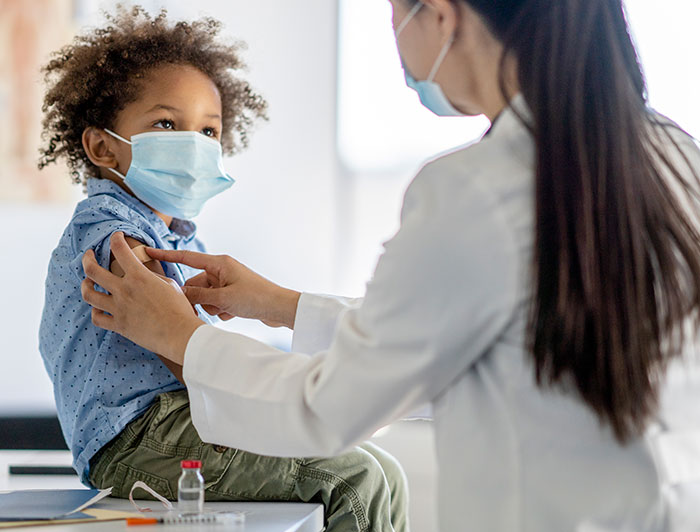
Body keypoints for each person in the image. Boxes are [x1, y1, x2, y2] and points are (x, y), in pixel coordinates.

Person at [81, 0, 700, 530]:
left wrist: (181, 338)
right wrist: (281, 306)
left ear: (438, 15)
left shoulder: (474, 191)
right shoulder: (677, 157)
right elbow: (496, 331)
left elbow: (329, 406)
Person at [38, 7, 410, 532]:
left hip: (170, 428)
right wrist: (278, 418)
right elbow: (185, 358)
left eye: (209, 131)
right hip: (144, 437)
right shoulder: (115, 237)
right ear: (102, 147)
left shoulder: (166, 235)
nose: (194, 145)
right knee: (356, 480)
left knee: (381, 470)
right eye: (167, 124)